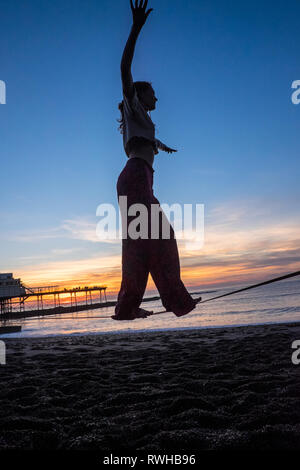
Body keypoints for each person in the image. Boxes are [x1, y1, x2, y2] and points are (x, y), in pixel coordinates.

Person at [112, 0, 200, 321]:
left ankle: (131, 305)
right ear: (140, 94)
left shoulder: (141, 122)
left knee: (144, 240)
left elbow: (141, 141)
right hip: (136, 177)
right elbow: (124, 70)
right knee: (156, 237)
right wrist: (136, 28)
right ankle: (171, 299)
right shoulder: (134, 105)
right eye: (153, 93)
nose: (157, 98)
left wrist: (158, 143)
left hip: (137, 177)